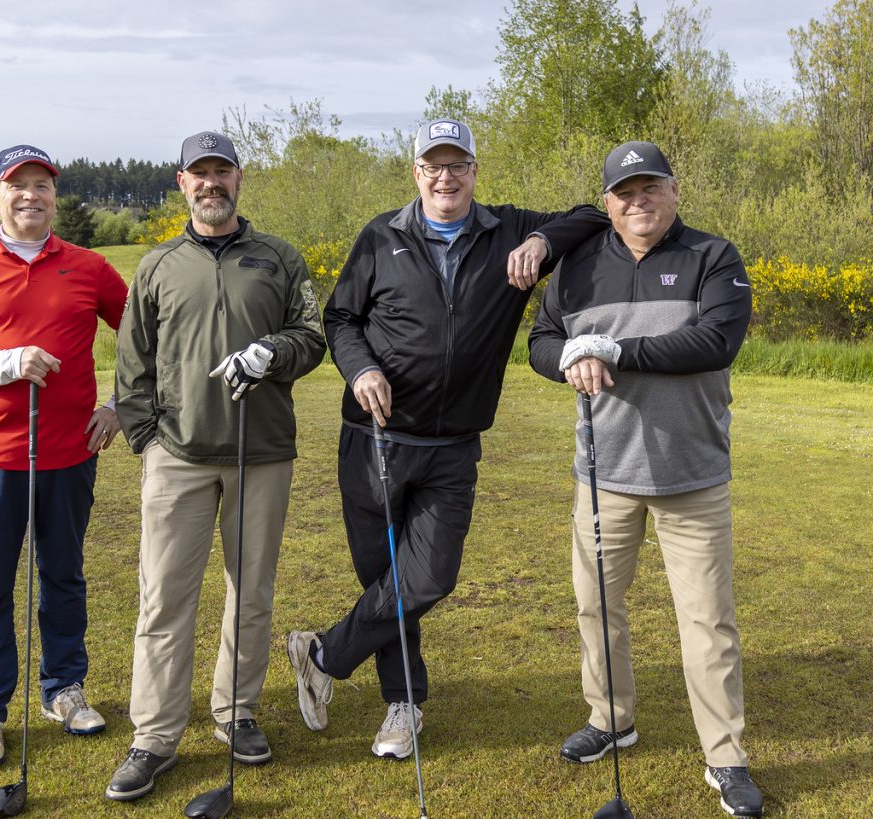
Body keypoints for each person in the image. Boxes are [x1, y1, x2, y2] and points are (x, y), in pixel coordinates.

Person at [287, 118, 609, 760]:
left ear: (474, 171)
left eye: (457, 164)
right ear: (416, 173)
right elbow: (340, 317)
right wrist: (361, 369)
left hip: (453, 444)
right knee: (385, 576)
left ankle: (323, 652)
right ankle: (402, 708)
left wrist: (543, 240)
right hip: (374, 437)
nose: (445, 176)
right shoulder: (382, 235)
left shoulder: (507, 229)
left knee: (427, 575)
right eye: (433, 165)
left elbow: (594, 217)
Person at [526, 140, 764, 818]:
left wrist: (615, 349)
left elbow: (715, 341)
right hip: (606, 471)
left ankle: (726, 757)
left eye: (650, 187)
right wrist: (567, 355)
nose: (639, 201)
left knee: (707, 620)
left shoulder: (711, 257)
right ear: (607, 203)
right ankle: (611, 718)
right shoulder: (577, 268)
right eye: (625, 192)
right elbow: (541, 341)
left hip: (692, 474)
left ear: (674, 190)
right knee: (596, 606)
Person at [106, 130, 325, 802]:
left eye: (221, 172)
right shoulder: (159, 264)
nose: (211, 184)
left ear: (239, 179)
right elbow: (133, 361)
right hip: (179, 455)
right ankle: (155, 734)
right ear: (182, 183)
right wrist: (148, 439)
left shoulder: (280, 258)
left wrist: (273, 353)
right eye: (199, 174)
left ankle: (236, 710)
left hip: (262, 452)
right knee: (165, 597)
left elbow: (312, 335)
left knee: (250, 589)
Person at [0, 144, 128, 767]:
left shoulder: (89, 267)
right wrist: (10, 362)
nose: (30, 195)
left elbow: (148, 340)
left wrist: (120, 404)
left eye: (41, 185)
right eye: (18, 186)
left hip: (70, 452)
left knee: (63, 576)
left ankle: (63, 688)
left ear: (54, 197)